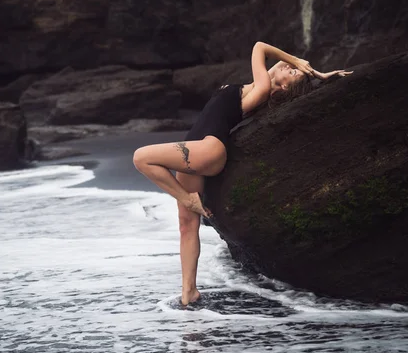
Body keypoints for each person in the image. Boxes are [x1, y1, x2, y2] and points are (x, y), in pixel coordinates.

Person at [132, 41, 352, 305]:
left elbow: (260, 47)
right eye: (293, 68)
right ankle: (189, 292)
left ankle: (189, 199)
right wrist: (315, 73)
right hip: (197, 148)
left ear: (282, 88)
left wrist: (297, 60)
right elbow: (270, 61)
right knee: (187, 226)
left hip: (208, 150)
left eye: (293, 73)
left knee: (141, 157)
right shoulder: (258, 86)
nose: (290, 67)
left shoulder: (260, 91)